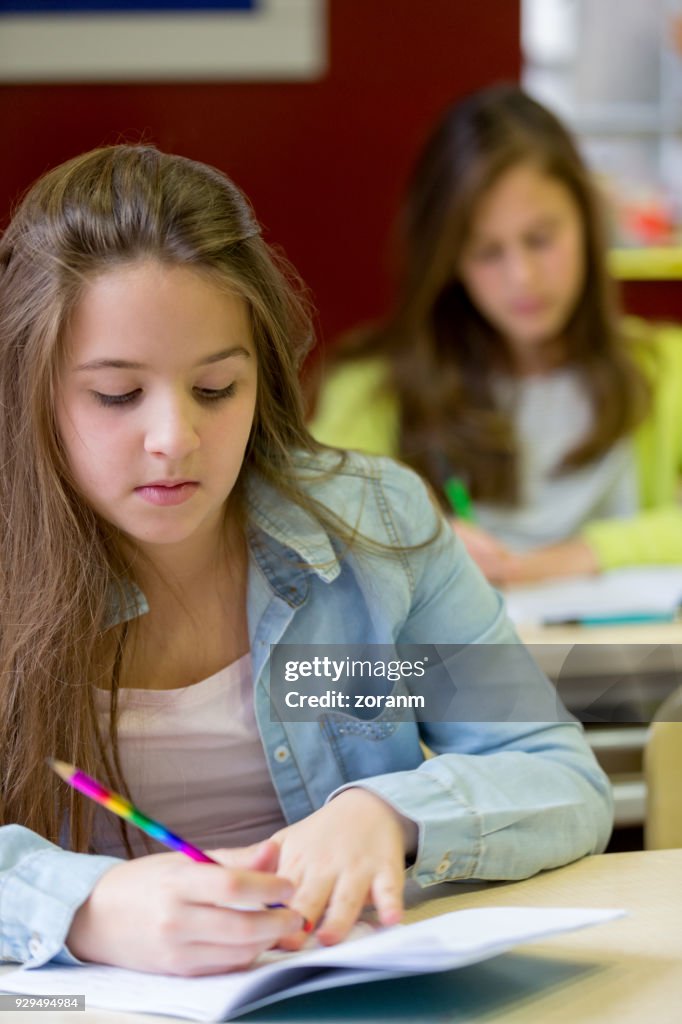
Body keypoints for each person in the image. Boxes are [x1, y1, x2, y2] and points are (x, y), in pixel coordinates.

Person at [0, 144, 611, 978]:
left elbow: (558, 773)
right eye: (115, 395)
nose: (175, 439)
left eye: (217, 388)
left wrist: (387, 812)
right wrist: (85, 909)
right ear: (27, 387)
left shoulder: (377, 525)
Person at [310, 83, 682, 585]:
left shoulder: (666, 369)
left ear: (588, 224)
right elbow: (308, 523)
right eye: (488, 252)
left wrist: (572, 558)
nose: (522, 278)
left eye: (540, 239)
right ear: (449, 261)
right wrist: (414, 536)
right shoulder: (372, 387)